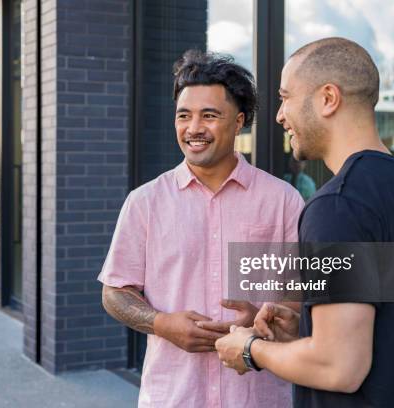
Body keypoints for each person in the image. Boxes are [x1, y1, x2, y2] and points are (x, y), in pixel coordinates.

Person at [215, 37, 394, 407]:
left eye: (285, 97)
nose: (280, 115)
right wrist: (309, 326)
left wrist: (249, 349)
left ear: (328, 99)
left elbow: (339, 368)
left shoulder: (337, 207)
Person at [98, 50, 304, 407]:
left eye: (209, 116)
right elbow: (115, 292)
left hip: (257, 398)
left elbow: (302, 299)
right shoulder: (144, 201)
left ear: (239, 122)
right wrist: (161, 323)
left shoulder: (283, 200)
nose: (194, 128)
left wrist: (262, 322)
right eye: (184, 116)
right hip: (173, 397)